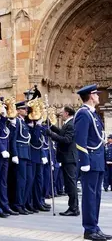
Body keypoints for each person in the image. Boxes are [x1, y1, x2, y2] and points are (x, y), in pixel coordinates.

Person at [74, 84, 111, 241]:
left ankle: (95, 227)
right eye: (96, 94)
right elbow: (80, 139)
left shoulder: (93, 114)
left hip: (98, 160)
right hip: (90, 160)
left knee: (95, 196)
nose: (98, 96)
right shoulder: (83, 114)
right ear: (90, 96)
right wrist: (84, 160)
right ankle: (89, 229)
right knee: (89, 196)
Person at [46, 106, 79, 216]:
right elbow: (62, 133)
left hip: (69, 157)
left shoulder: (71, 124)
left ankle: (74, 208)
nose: (61, 114)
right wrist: (52, 127)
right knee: (69, 184)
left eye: (63, 112)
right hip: (67, 157)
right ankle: (73, 207)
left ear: (67, 113)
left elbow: (66, 140)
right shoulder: (68, 124)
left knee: (71, 184)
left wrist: (51, 135)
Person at [11, 101, 33, 215]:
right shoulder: (18, 122)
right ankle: (18, 204)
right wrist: (14, 154)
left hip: (27, 153)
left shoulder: (24, 122)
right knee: (21, 181)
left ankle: (23, 203)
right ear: (18, 110)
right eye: (24, 109)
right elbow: (13, 138)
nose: (26, 111)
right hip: (20, 153)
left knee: (28, 180)